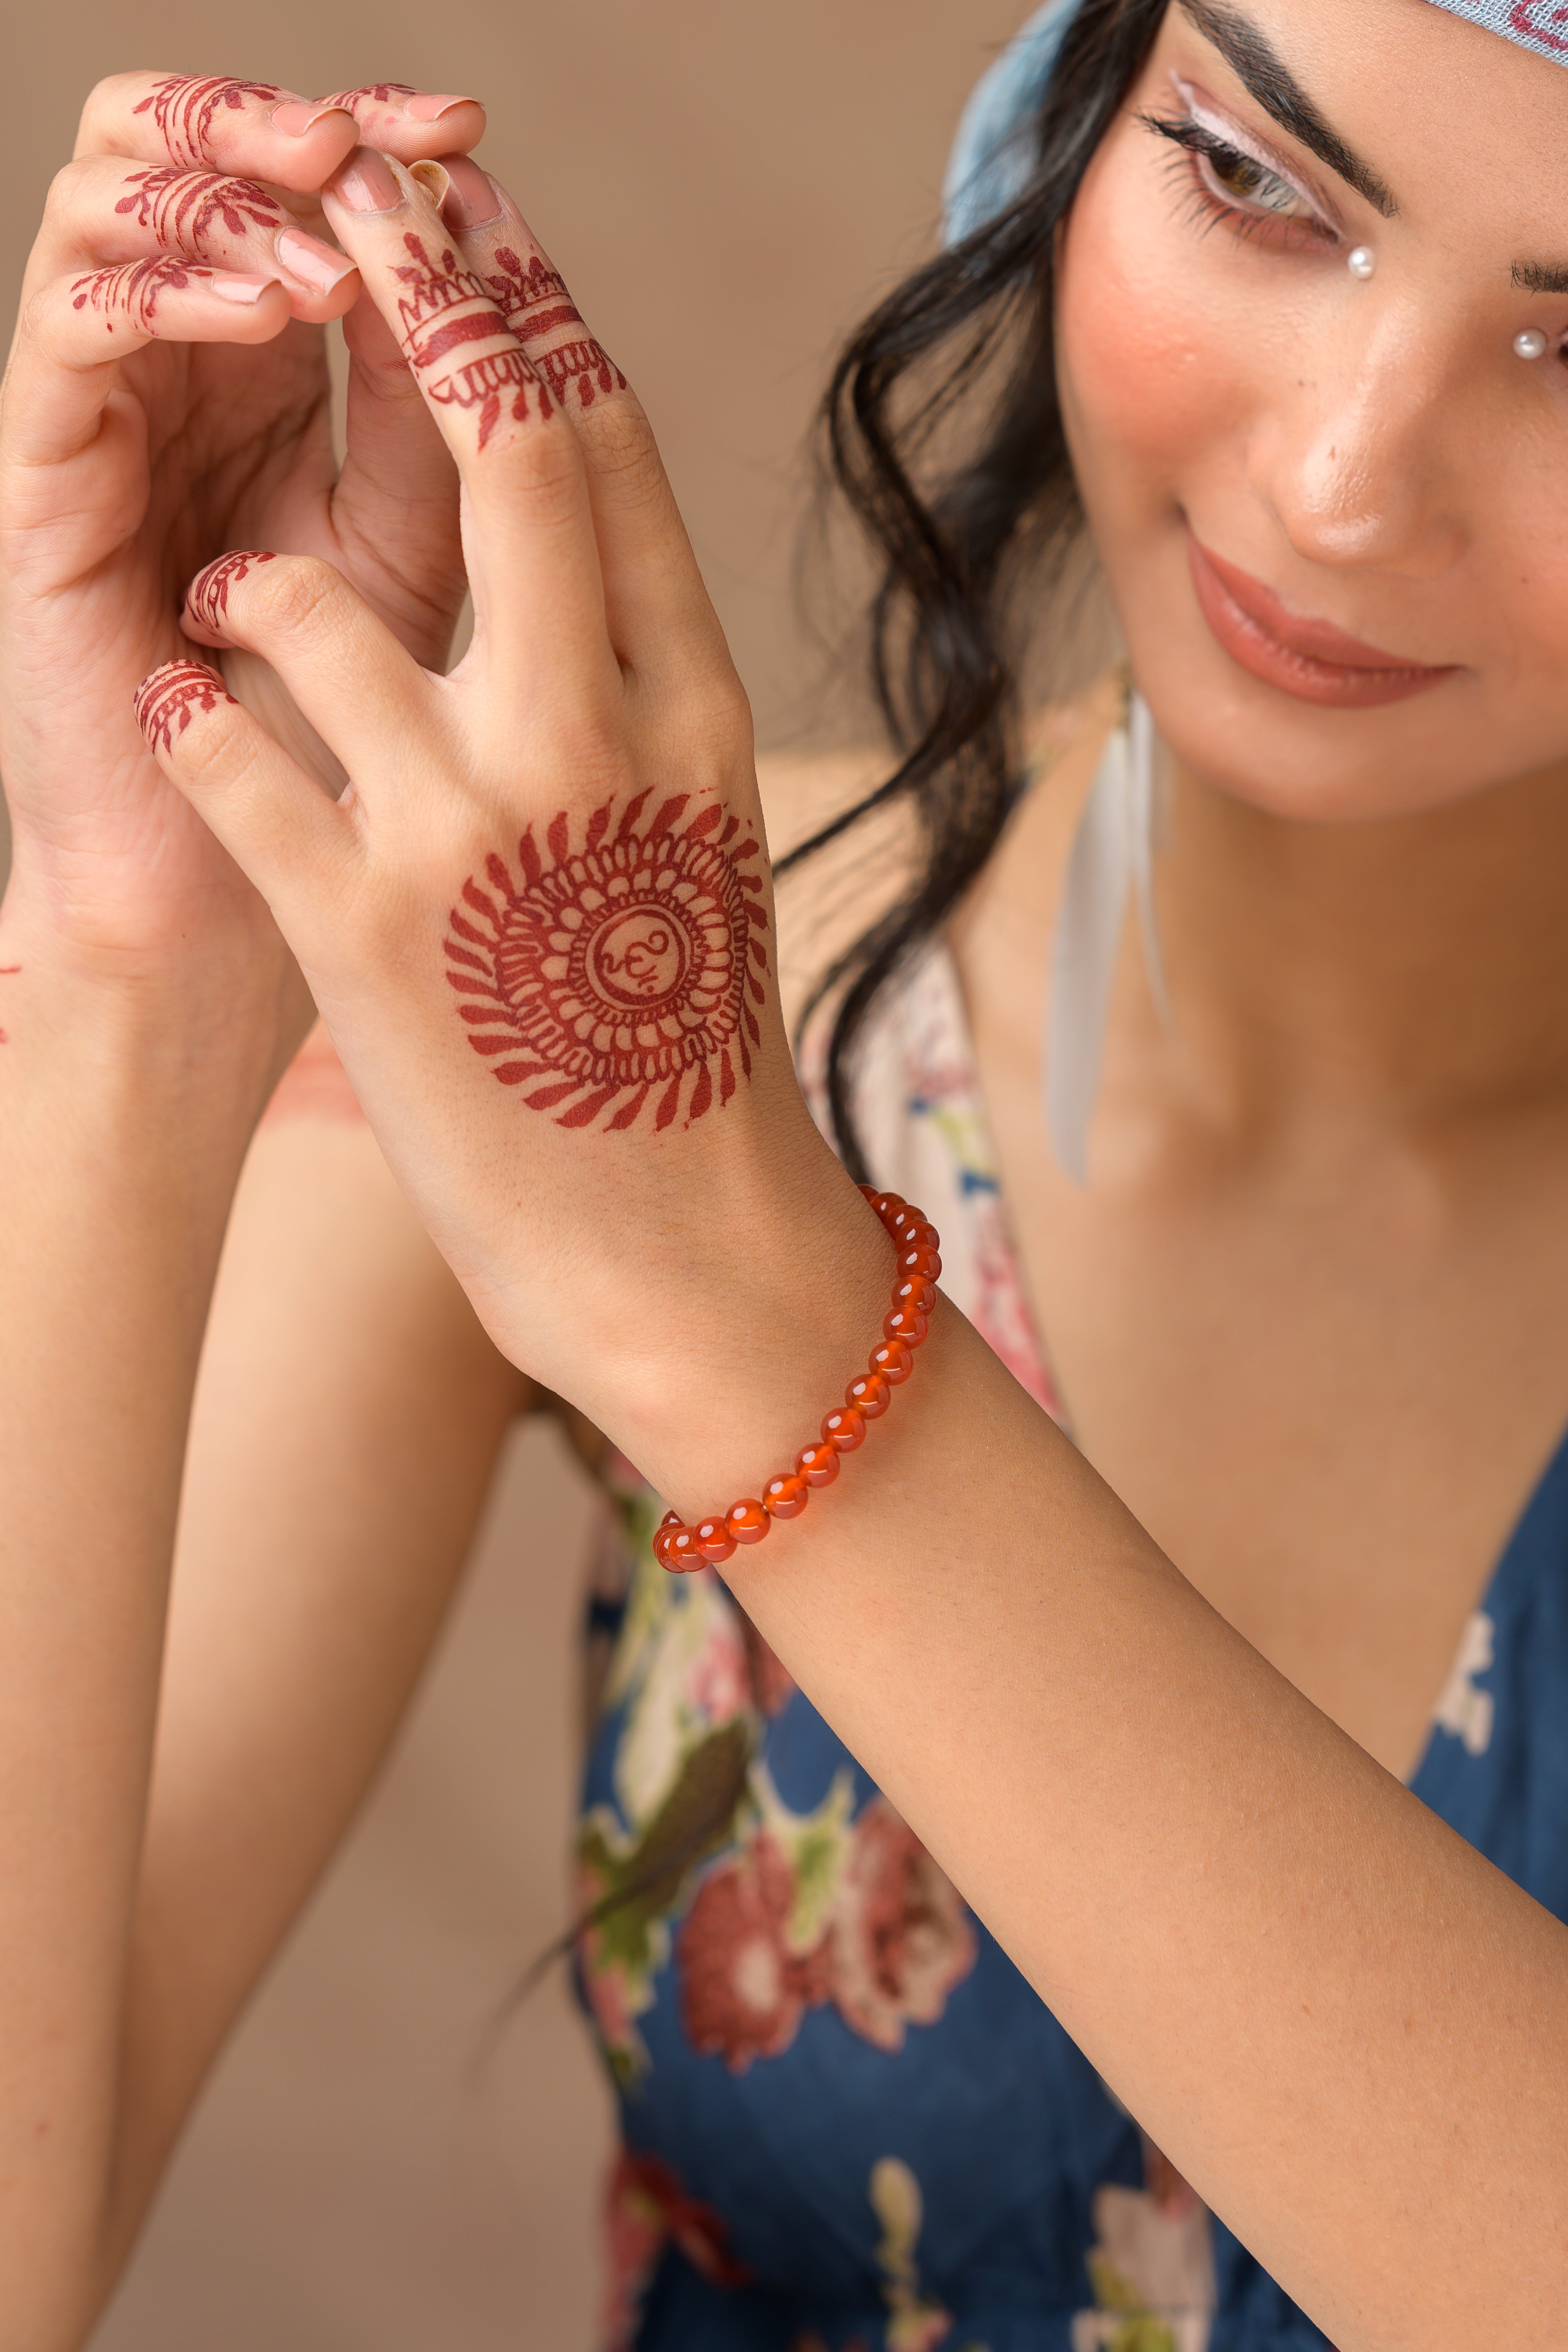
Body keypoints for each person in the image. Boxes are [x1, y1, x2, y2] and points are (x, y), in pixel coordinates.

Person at [3, 3, 1568, 2346]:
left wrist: (751, 1326)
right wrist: (132, 971)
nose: (1349, 483)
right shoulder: (589, 1046)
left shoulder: (641, 1132)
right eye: (1257, 187)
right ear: (1079, 119)